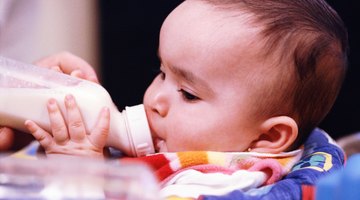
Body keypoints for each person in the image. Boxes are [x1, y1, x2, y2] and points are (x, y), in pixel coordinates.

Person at [5, 0, 349, 199]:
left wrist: (79, 173)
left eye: (188, 93)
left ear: (268, 138)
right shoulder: (201, 144)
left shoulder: (223, 182)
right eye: (161, 72)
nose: (155, 99)